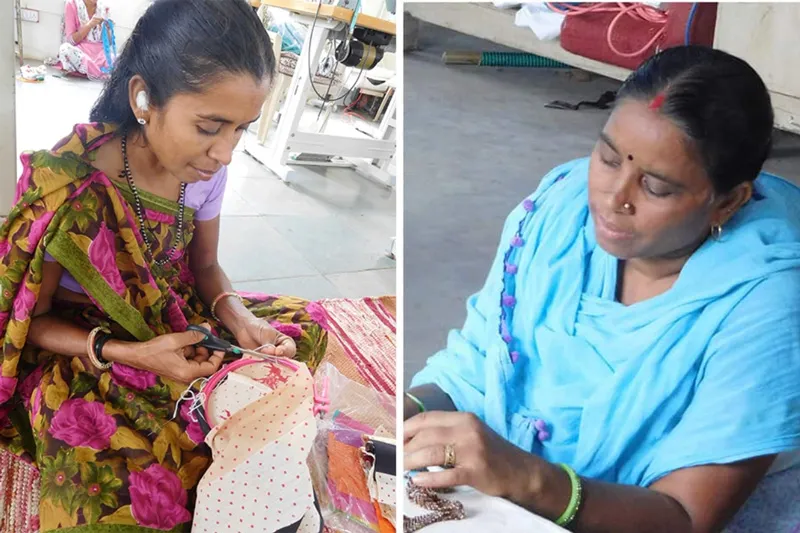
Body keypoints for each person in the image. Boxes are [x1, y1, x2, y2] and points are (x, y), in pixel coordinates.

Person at [404, 46, 800, 533]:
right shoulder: (558, 212)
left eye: (655, 188)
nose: (614, 199)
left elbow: (687, 517)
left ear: (728, 202)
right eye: (608, 158)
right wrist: (410, 410)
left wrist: (532, 481)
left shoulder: (765, 302)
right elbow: (476, 366)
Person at [0, 0, 328, 530]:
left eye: (241, 129)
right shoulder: (70, 184)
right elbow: (28, 325)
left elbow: (206, 267)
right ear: (144, 98)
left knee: (301, 329)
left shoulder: (204, 171)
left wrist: (240, 318)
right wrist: (133, 353)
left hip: (175, 317)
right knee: (118, 484)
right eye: (210, 126)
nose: (224, 152)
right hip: (91, 345)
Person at [56, 0, 113, 80]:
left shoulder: (103, 7)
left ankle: (93, 72)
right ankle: (99, 74)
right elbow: (71, 41)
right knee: (65, 49)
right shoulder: (72, 4)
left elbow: (109, 43)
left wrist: (108, 28)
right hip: (81, 53)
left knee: (120, 58)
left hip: (100, 54)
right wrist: (89, 25)